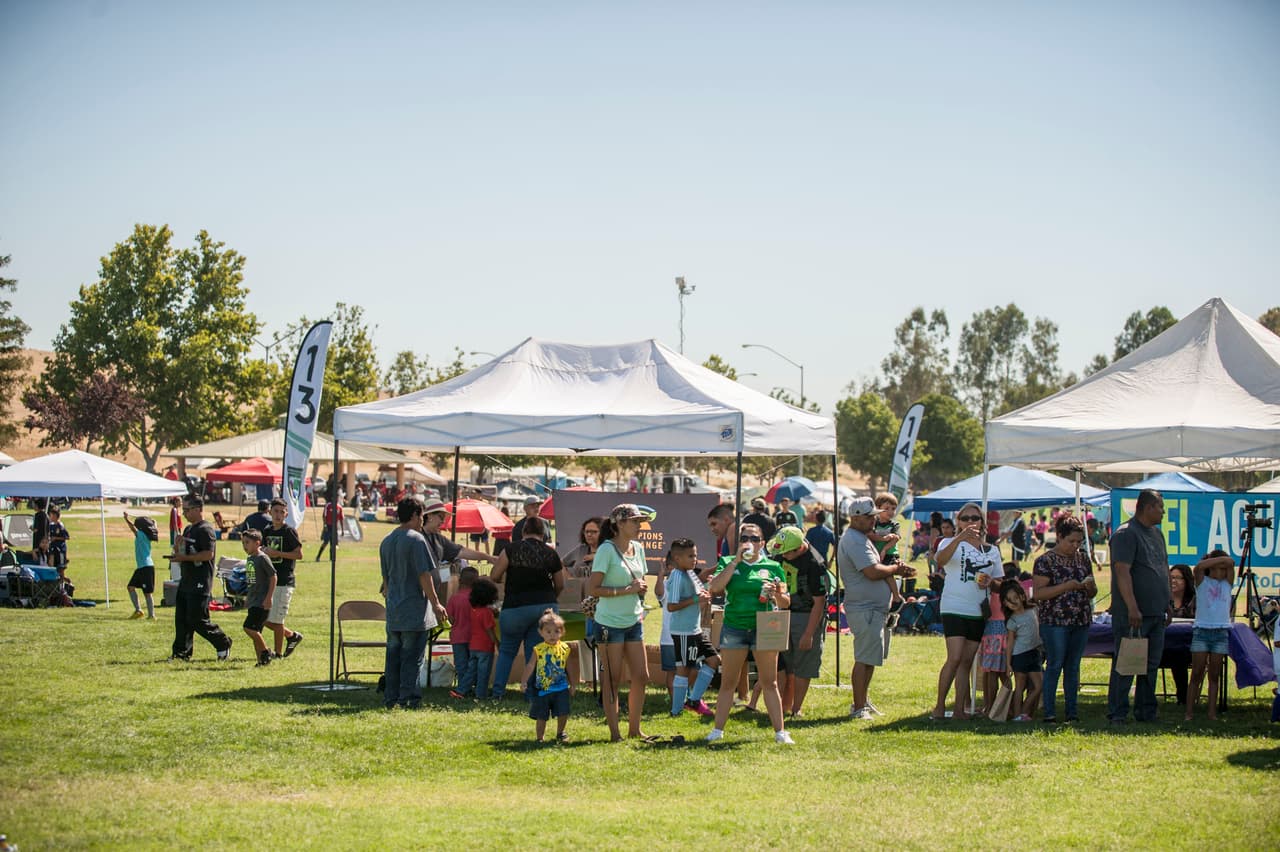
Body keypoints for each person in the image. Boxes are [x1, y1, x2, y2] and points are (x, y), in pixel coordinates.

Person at [706, 522, 793, 744]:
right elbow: (715, 588)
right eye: (745, 538)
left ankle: (780, 732)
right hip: (734, 626)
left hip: (764, 627)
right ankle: (717, 731)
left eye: (755, 539)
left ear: (762, 543)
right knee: (729, 682)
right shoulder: (727, 562)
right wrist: (735, 560)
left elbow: (785, 602)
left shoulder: (773, 567)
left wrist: (775, 594)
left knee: (769, 681)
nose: (750, 543)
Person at [839, 498, 915, 719]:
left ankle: (862, 701)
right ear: (855, 518)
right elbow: (872, 571)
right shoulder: (854, 540)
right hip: (864, 608)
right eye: (869, 516)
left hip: (872, 607)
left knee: (870, 658)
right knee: (864, 658)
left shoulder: (861, 537)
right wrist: (896, 570)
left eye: (874, 515)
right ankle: (858, 706)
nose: (874, 519)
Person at [587, 503, 654, 742]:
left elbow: (641, 581)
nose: (639, 525)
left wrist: (639, 594)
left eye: (640, 521)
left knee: (641, 676)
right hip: (608, 624)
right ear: (619, 523)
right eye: (635, 521)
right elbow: (593, 589)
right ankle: (615, 733)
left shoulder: (638, 547)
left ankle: (635, 729)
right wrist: (628, 590)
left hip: (633, 621)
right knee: (612, 679)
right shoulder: (606, 550)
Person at [931, 502, 1002, 720]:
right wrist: (960, 538)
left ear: (982, 522)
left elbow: (1001, 583)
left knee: (967, 661)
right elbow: (939, 561)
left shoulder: (992, 550)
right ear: (958, 521)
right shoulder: (948, 542)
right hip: (954, 606)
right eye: (965, 518)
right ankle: (940, 707)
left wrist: (990, 582)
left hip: (978, 609)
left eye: (975, 518)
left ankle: (960, 709)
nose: (970, 522)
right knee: (954, 657)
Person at [1107, 489, 1171, 725]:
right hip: (1133, 614)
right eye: (1160, 507)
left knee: (1150, 666)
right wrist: (1132, 606)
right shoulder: (1126, 534)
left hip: (1156, 611)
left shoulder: (1157, 534)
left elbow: (1164, 567)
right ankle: (1118, 712)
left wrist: (1169, 602)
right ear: (1147, 507)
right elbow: (1122, 571)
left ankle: (1146, 711)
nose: (1163, 511)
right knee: (1126, 664)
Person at [378, 497, 445, 709]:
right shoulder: (416, 540)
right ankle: (408, 698)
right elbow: (424, 575)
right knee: (412, 657)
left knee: (393, 657)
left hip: (394, 609)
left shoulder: (387, 541)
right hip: (414, 609)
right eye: (421, 516)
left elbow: (385, 582)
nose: (422, 521)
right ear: (415, 515)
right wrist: (436, 603)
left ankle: (391, 697)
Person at [489, 516, 564, 699]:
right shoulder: (551, 553)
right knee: (536, 653)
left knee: (507, 651)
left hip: (514, 606)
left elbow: (494, 575)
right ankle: (531, 693)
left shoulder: (510, 549)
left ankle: (498, 692)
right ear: (544, 534)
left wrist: (504, 579)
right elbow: (560, 584)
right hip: (544, 608)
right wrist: (551, 598)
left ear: (523, 532)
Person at [1032, 513, 1097, 723]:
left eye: (1079, 542)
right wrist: (1066, 586)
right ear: (1059, 536)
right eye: (1072, 541)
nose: (1076, 546)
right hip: (1054, 622)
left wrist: (1090, 588)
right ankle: (1049, 711)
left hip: (1080, 620)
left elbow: (1092, 591)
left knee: (1073, 666)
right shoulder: (1045, 561)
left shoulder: (1083, 558)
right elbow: (1039, 594)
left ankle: (1072, 712)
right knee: (1055, 664)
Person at [768, 525, 833, 718]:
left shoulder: (814, 565)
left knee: (804, 665)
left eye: (787, 553)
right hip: (783, 613)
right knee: (783, 663)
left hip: (806, 615)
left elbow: (819, 603)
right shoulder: (781, 555)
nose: (783, 556)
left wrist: (808, 634)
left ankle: (796, 709)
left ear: (799, 548)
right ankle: (781, 706)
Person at [168, 496, 233, 661]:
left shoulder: (206, 529)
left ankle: (222, 642)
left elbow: (208, 554)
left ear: (198, 509)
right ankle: (181, 653)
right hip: (186, 579)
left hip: (200, 581)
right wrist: (177, 546)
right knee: (181, 619)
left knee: (197, 619)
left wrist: (184, 558)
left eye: (187, 510)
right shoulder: (189, 529)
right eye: (183, 510)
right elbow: (183, 552)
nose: (184, 514)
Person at [663, 539, 718, 717]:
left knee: (714, 660)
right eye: (690, 556)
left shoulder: (689, 573)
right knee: (684, 670)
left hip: (695, 629)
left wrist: (703, 593)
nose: (695, 559)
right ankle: (676, 710)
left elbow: (696, 594)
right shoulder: (678, 576)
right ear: (677, 558)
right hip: (684, 631)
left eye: (695, 555)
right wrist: (696, 600)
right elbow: (671, 606)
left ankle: (693, 700)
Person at [1184, 550, 1237, 722]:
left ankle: (1212, 713)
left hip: (1220, 632)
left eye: (1223, 569)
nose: (1221, 572)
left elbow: (1231, 562)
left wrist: (1218, 561)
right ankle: (1189, 712)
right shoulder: (1202, 582)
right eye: (1217, 568)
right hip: (1202, 632)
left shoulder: (1227, 584)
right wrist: (1213, 561)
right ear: (1210, 568)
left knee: (1214, 675)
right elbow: (1198, 568)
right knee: (1197, 673)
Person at [262, 499, 305, 659]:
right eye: (276, 511)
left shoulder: (289, 532)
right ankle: (292, 636)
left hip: (284, 581)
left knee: (278, 620)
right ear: (270, 512)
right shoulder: (266, 530)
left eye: (282, 512)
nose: (278, 515)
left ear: (286, 514)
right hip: (269, 580)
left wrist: (278, 554)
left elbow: (299, 554)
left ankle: (278, 654)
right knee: (263, 618)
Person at [527, 608, 578, 743]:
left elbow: (569, 667)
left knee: (563, 712)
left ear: (562, 632)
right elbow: (531, 665)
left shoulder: (565, 648)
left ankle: (560, 733)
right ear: (541, 632)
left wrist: (573, 684)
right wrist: (523, 681)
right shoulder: (538, 649)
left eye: (556, 631)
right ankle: (540, 738)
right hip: (543, 689)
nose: (552, 635)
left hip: (561, 688)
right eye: (548, 632)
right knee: (541, 715)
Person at [1002, 579, 1044, 721]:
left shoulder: (1033, 609)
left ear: (1022, 596)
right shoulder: (1012, 621)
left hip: (1035, 653)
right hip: (1019, 655)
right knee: (1019, 686)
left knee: (1038, 686)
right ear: (1005, 604)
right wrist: (1008, 664)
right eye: (1009, 600)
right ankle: (1017, 715)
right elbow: (1010, 643)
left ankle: (1024, 711)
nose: (1013, 602)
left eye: (1015, 598)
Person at [979, 562, 1014, 718]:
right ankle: (999, 706)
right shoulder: (1009, 591)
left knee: (992, 673)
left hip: (994, 631)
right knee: (996, 673)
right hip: (998, 630)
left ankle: (992, 706)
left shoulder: (997, 590)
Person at [238, 529, 277, 667]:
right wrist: (248, 597)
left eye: (247, 542)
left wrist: (269, 598)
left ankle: (266, 652)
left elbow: (273, 577)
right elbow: (251, 581)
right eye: (243, 542)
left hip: (262, 601)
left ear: (257, 543)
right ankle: (261, 660)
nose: (244, 545)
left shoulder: (262, 558)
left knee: (249, 628)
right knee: (256, 632)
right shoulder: (250, 559)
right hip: (254, 600)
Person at [1162, 563, 1197, 706]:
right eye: (1171, 578)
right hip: (1163, 645)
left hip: (1187, 647)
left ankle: (1183, 697)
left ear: (1186, 580)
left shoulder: (1194, 600)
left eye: (1178, 578)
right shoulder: (1162, 598)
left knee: (1179, 655)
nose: (1173, 581)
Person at [446, 566, 479, 699]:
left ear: (460, 580)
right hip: (474, 636)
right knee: (473, 664)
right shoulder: (477, 598)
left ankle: (462, 688)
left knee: (461, 664)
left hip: (458, 636)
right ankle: (470, 687)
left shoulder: (454, 598)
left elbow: (450, 619)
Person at [468, 577, 500, 699]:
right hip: (485, 647)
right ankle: (481, 694)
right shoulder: (487, 613)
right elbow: (489, 630)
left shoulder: (474, 610)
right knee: (483, 673)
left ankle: (462, 690)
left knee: (471, 671)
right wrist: (496, 642)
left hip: (473, 645)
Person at [123, 512, 158, 620]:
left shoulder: (141, 534)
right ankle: (138, 610)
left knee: (147, 593)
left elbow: (132, 528)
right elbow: (155, 526)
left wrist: (126, 519)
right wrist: (154, 522)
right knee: (130, 587)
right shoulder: (148, 534)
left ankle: (152, 615)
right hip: (143, 567)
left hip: (145, 567)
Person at [315, 490, 344, 561]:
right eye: (335, 497)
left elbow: (341, 519)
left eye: (337, 498)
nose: (336, 499)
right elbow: (324, 516)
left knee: (333, 544)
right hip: (328, 526)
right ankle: (318, 556)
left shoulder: (339, 507)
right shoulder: (328, 505)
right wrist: (325, 525)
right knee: (325, 542)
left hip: (335, 528)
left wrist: (342, 530)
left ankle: (332, 559)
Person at [46, 506, 70, 577]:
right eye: (50, 515)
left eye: (52, 515)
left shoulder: (60, 525)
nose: (51, 517)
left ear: (57, 516)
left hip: (60, 549)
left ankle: (62, 582)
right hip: (52, 548)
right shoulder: (51, 525)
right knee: (51, 565)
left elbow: (67, 537)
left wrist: (56, 538)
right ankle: (54, 581)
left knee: (61, 567)